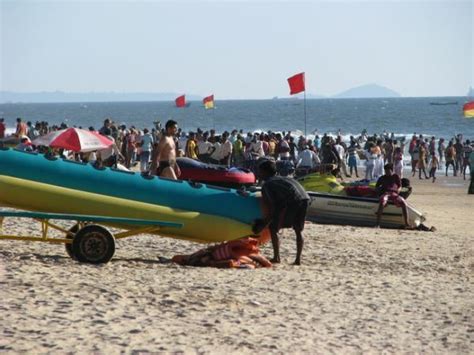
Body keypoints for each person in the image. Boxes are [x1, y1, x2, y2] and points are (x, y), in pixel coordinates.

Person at [252, 159, 310, 265]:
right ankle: (298, 260)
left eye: (260, 172)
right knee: (298, 230)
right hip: (305, 198)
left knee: (273, 228)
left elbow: (273, 206)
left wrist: (264, 223)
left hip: (293, 201)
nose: (259, 174)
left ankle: (276, 257)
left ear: (265, 172)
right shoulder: (284, 178)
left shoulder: (268, 185)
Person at [375, 163, 410, 228]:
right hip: (386, 193)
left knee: (404, 203)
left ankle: (407, 224)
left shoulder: (396, 176)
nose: (386, 173)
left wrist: (398, 190)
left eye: (388, 171)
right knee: (382, 202)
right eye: (385, 171)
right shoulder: (382, 178)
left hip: (394, 194)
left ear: (391, 170)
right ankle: (377, 224)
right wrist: (379, 192)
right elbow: (376, 187)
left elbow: (400, 186)